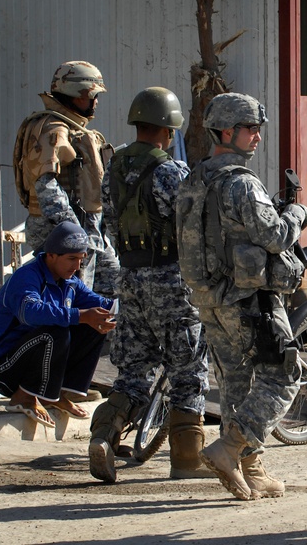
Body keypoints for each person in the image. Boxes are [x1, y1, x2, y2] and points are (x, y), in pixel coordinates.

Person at [177, 92, 307, 501]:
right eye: (250, 129)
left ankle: (251, 469)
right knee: (284, 375)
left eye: (257, 129)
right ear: (227, 132)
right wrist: (296, 214)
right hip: (250, 300)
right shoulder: (242, 183)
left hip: (208, 300)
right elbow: (274, 235)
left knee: (237, 380)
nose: (256, 137)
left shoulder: (193, 179)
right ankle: (230, 447)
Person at [88, 87, 211, 484]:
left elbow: (109, 224)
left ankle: (104, 436)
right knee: (188, 369)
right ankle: (187, 460)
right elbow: (194, 228)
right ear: (170, 128)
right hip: (172, 281)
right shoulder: (170, 171)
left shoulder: (115, 167)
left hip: (131, 278)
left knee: (132, 370)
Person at [0, 222, 116, 429]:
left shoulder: (70, 281)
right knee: (56, 329)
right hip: (4, 370)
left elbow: (103, 305)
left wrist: (134, 307)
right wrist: (80, 315)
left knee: (96, 323)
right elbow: (32, 313)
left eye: (80, 260)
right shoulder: (27, 277)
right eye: (71, 259)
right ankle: (24, 396)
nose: (77, 266)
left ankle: (55, 394)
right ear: (50, 255)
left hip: (33, 360)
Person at [13, 60, 119, 295]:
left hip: (88, 228)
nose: (96, 102)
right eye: (92, 95)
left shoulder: (73, 128)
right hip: (64, 231)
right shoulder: (53, 128)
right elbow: (45, 184)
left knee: (112, 290)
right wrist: (72, 233)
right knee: (70, 298)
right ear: (74, 93)